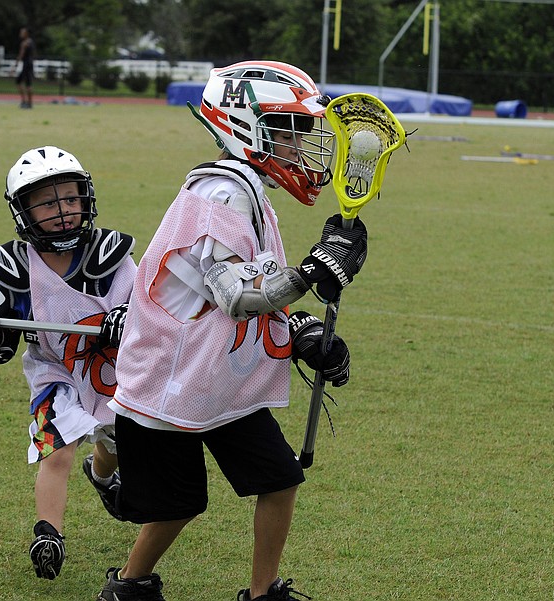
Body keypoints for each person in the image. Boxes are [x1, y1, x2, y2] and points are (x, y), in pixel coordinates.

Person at [96, 61, 368, 601]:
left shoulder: (248, 190)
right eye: (288, 129)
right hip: (175, 383)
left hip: (221, 381)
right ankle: (128, 586)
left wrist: (308, 332)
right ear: (246, 125)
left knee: (280, 479)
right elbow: (235, 297)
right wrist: (316, 270)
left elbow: (259, 285)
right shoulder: (217, 196)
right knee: (177, 504)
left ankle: (263, 592)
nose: (299, 146)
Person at [0, 146, 136, 580]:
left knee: (115, 441)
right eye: (46, 203)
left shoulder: (113, 255)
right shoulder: (18, 268)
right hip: (54, 370)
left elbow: (150, 312)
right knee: (56, 449)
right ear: (24, 212)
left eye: (69, 199)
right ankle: (49, 534)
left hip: (114, 370)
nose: (62, 211)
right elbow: (4, 344)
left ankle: (100, 475)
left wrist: (128, 318)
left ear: (86, 199)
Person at [11, 27, 35, 109]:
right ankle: (26, 102)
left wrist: (15, 66)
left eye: (22, 33)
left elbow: (21, 55)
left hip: (26, 64)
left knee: (26, 83)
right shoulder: (31, 42)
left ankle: (27, 103)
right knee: (22, 82)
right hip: (30, 63)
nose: (20, 34)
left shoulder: (24, 43)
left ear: (26, 34)